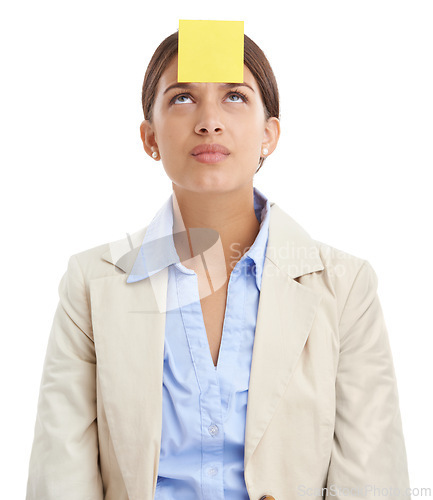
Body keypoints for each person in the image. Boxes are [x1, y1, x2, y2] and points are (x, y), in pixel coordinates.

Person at [26, 30, 411, 500]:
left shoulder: (347, 288)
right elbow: (60, 479)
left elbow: (372, 484)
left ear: (269, 133)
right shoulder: (90, 284)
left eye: (234, 97)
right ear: (150, 137)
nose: (209, 121)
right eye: (183, 97)